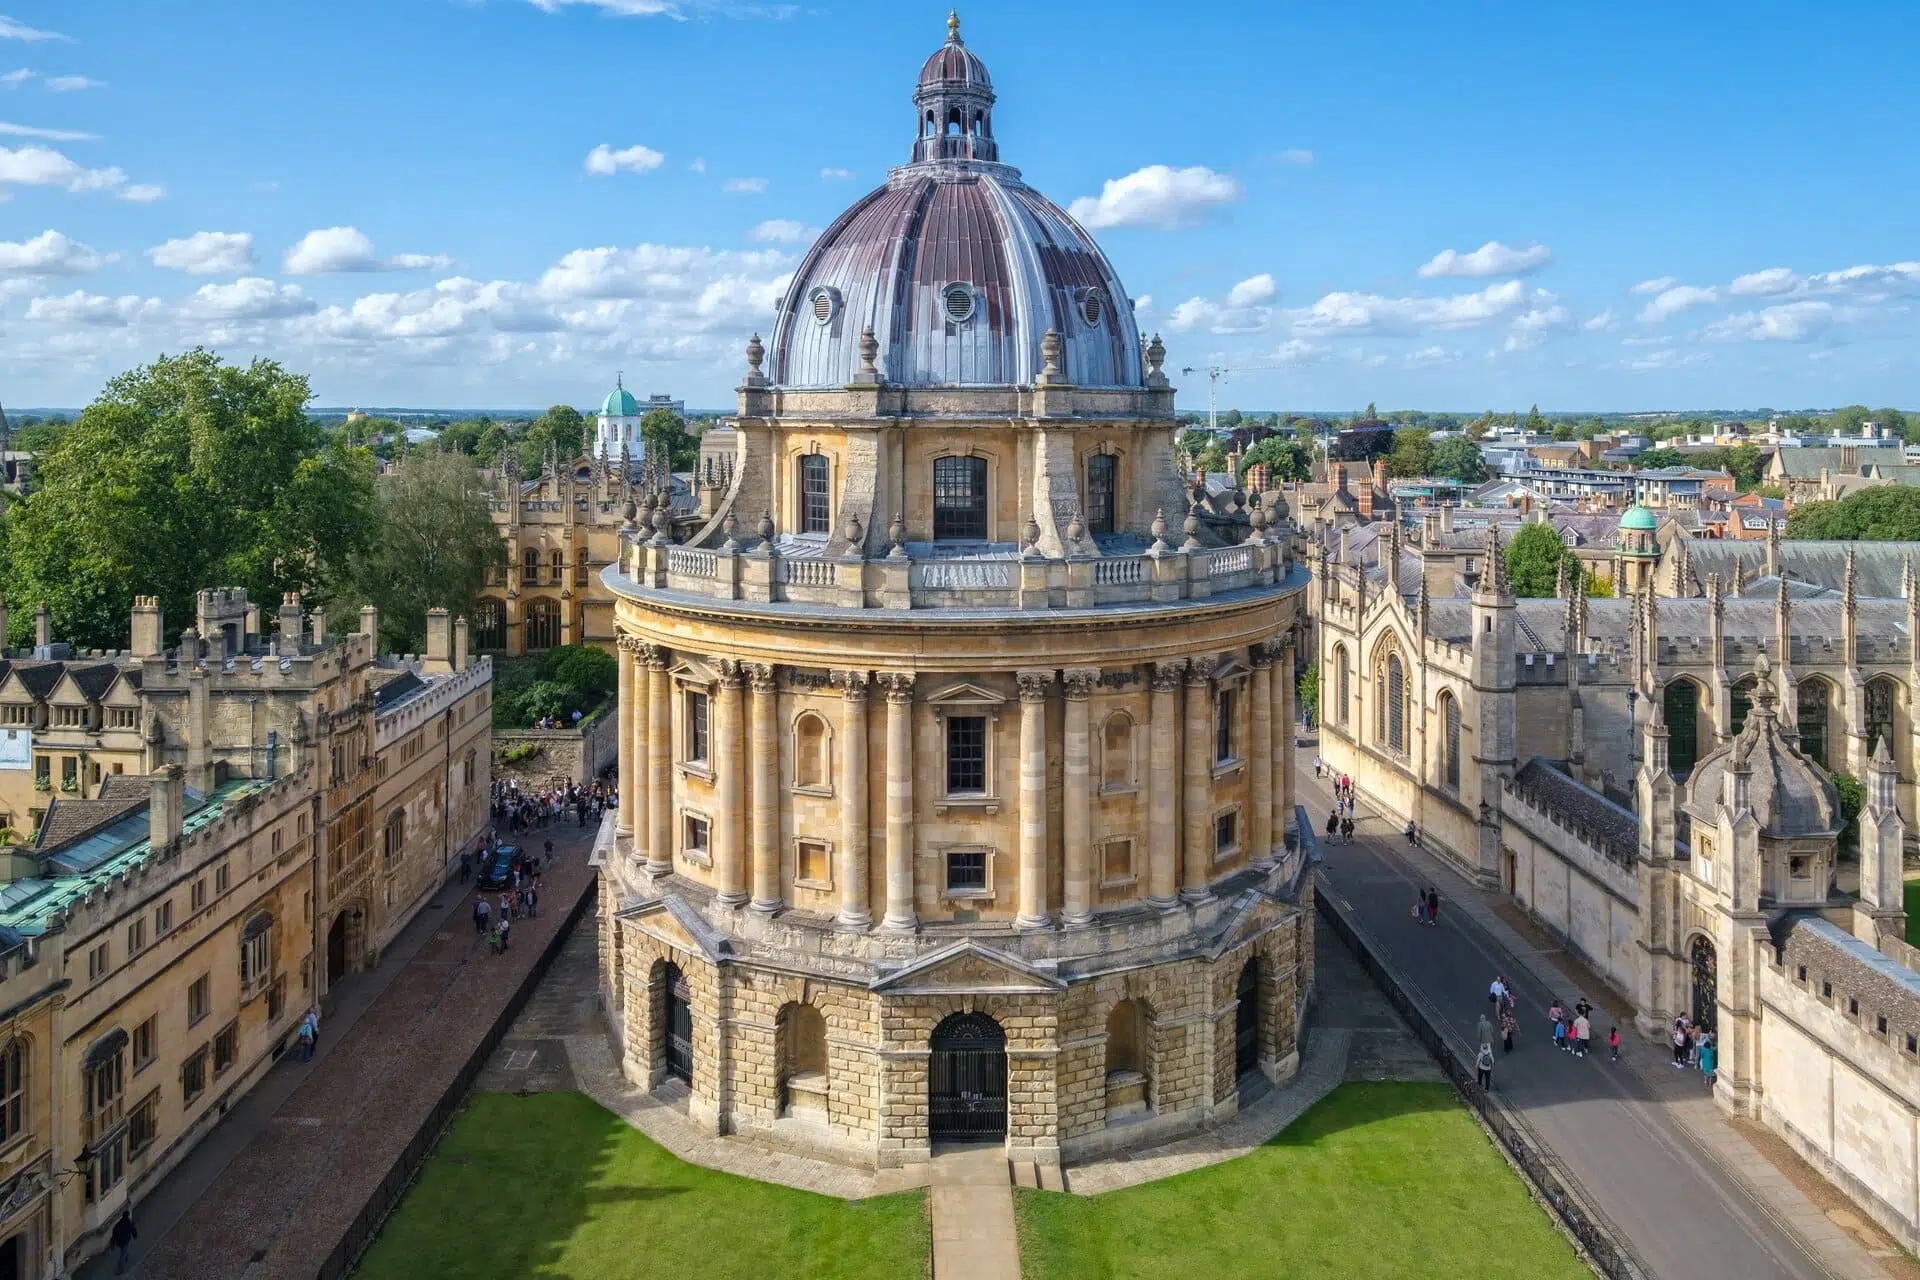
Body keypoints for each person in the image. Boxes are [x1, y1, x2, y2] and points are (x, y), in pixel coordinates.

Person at [111, 1208, 136, 1275]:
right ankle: (120, 1269)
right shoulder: (129, 1223)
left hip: (119, 1241)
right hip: (125, 1240)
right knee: (123, 1254)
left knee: (124, 1251)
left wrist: (112, 1244)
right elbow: (133, 1230)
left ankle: (125, 1258)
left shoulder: (118, 1224)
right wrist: (135, 1236)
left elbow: (114, 1235)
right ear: (127, 1216)